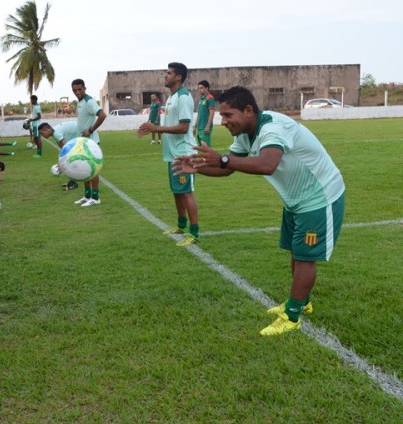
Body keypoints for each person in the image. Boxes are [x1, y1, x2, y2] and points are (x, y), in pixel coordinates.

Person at [172, 86, 345, 336]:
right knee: (297, 252)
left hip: (320, 197)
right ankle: (301, 302)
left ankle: (292, 316)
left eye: (228, 115)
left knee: (306, 257)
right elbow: (228, 168)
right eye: (221, 116)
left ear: (249, 111)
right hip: (296, 199)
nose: (223, 122)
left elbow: (267, 164)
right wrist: (198, 168)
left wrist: (222, 159)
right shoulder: (244, 134)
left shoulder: (273, 127)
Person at [137, 62, 200, 247]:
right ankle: (181, 226)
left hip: (184, 154)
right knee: (177, 192)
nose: (165, 75)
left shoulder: (183, 97)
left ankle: (194, 233)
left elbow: (184, 127)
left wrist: (156, 128)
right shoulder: (172, 97)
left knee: (187, 193)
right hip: (172, 154)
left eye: (169, 73)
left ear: (178, 77)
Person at [71, 78, 107, 207]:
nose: (77, 92)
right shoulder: (79, 102)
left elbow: (102, 115)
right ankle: (87, 196)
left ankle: (95, 198)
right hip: (83, 141)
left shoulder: (89, 101)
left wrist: (91, 130)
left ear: (85, 88)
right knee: (84, 169)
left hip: (91, 142)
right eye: (75, 90)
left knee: (92, 170)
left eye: (80, 89)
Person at [38, 121, 80, 191]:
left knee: (70, 160)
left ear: (46, 129)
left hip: (84, 134)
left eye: (42, 133)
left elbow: (66, 149)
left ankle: (74, 183)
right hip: (79, 137)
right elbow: (63, 149)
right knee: (69, 160)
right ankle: (74, 181)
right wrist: (60, 162)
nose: (42, 135)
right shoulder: (55, 132)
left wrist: (61, 164)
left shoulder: (56, 133)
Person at [194, 80, 216, 146]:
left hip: (205, 127)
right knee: (201, 146)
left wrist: (208, 126)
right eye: (199, 88)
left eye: (201, 88)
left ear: (206, 88)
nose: (199, 90)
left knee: (205, 146)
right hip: (199, 127)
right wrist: (195, 126)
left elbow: (212, 113)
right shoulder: (201, 99)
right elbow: (199, 114)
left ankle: (210, 157)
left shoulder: (210, 98)